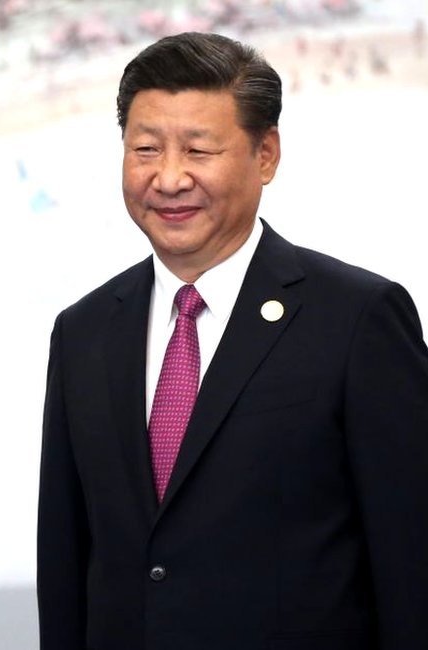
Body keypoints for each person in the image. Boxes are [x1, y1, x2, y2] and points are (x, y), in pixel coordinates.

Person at [37, 32, 428, 650]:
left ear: (266, 155)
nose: (168, 178)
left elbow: (414, 565)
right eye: (145, 149)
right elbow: (65, 566)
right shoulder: (83, 331)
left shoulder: (358, 319)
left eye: (198, 149)